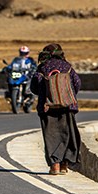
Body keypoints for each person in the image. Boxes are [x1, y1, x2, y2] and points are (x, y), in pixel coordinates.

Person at [30, 43, 81, 175]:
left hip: (47, 107)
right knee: (67, 135)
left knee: (51, 136)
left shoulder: (42, 68)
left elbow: (34, 87)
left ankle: (55, 166)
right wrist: (67, 96)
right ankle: (65, 165)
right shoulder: (67, 67)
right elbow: (77, 83)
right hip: (67, 106)